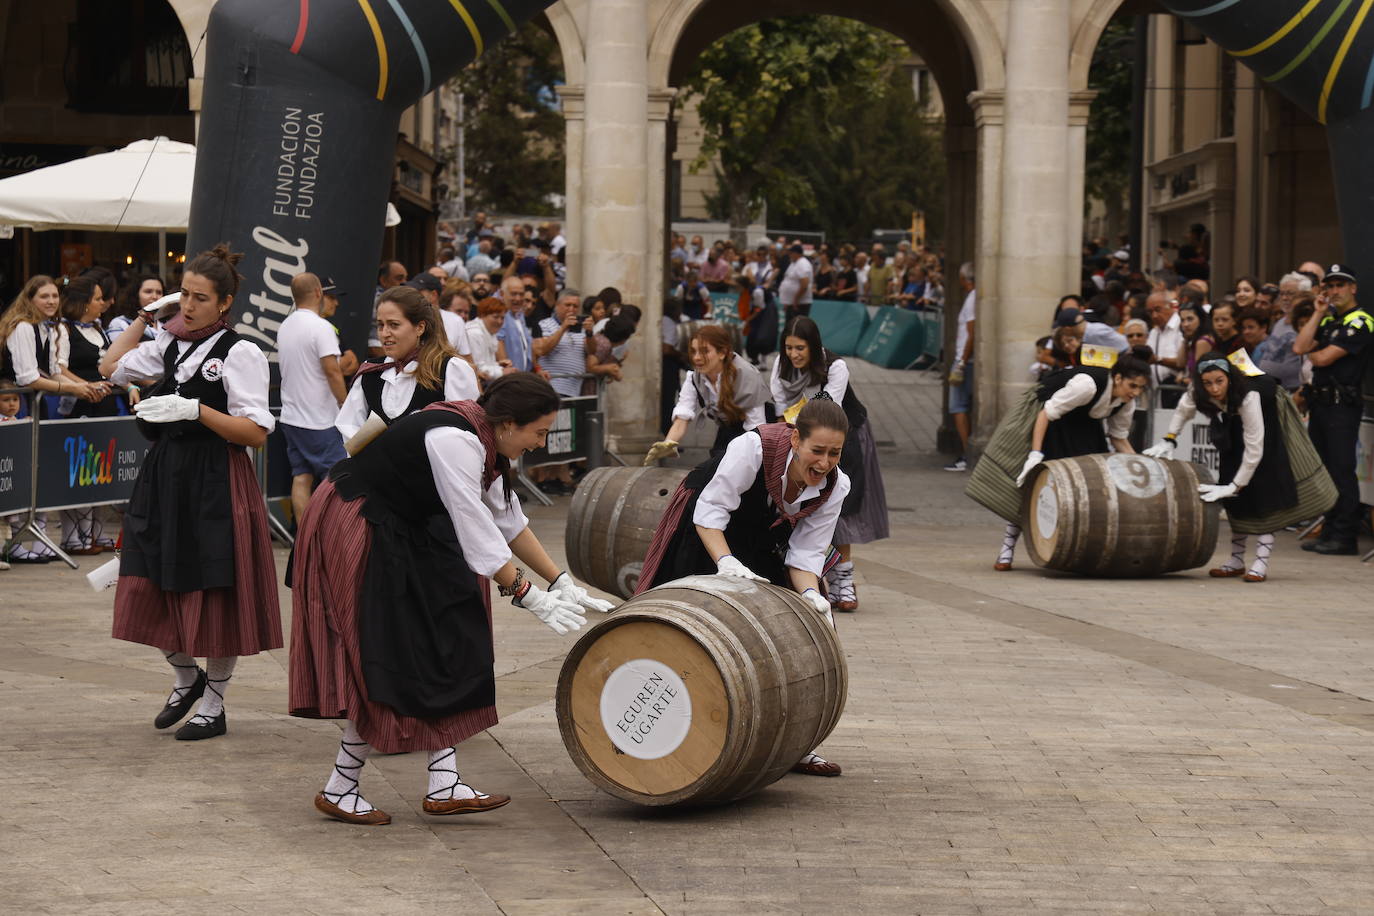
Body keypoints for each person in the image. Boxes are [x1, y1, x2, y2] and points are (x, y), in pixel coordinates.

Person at [289, 373, 611, 825]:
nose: (541, 443)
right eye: (538, 432)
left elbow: (508, 520)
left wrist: (561, 582)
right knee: (387, 651)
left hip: (406, 525)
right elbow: (474, 526)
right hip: (360, 520)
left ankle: (441, 783)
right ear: (508, 424)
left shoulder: (486, 441)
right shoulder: (454, 439)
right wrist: (527, 595)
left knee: (448, 634)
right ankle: (344, 786)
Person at [97, 244, 281, 741]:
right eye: (186, 297)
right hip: (167, 474)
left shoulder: (239, 351)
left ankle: (215, 703)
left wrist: (196, 411)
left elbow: (255, 433)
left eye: (200, 298)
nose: (190, 307)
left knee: (217, 588)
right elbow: (109, 367)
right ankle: (185, 675)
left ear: (224, 303)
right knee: (146, 574)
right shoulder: (170, 342)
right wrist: (144, 316)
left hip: (216, 476)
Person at [636, 398, 852, 777]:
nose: (825, 462)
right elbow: (711, 513)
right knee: (683, 625)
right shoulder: (752, 448)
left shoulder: (836, 485)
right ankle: (656, 730)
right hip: (707, 524)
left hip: (764, 532)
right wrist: (726, 563)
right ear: (796, 438)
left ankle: (797, 743)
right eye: (817, 451)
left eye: (835, 453)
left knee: (789, 632)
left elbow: (805, 557)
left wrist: (811, 596)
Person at [1144, 354, 1335, 582]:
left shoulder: (1249, 395)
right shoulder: (1199, 390)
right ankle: (1236, 560)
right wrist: (1169, 438)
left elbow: (1255, 447)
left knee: (1265, 487)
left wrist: (1236, 485)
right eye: (1208, 383)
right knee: (1231, 480)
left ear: (1229, 378)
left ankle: (1261, 562)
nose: (1214, 388)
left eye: (1219, 381)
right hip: (1231, 419)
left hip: (1268, 416)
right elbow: (1184, 409)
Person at [965, 347, 1154, 571]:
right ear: (1118, 377)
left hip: (1083, 426)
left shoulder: (1126, 402)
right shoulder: (1087, 385)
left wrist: (1141, 470)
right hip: (1048, 418)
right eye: (1132, 386)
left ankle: (1076, 552)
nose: (1135, 392)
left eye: (1141, 388)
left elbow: (1119, 438)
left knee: (1090, 486)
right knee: (1031, 485)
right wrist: (1035, 455)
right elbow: (1046, 413)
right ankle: (1007, 549)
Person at [770, 316, 888, 611]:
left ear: (814, 346)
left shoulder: (836, 367)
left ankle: (844, 580)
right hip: (799, 439)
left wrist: (795, 426)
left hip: (841, 438)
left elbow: (825, 410)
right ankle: (816, 576)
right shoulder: (780, 366)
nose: (794, 354)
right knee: (804, 508)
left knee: (841, 507)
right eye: (789, 348)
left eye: (800, 348)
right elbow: (781, 405)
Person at [1292, 264, 1372, 555]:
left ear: (1353, 288)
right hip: (1321, 404)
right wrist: (1317, 312)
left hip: (1342, 406)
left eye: (1340, 285)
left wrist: (1313, 353)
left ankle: (1345, 536)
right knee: (1324, 471)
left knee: (1341, 471)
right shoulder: (1327, 322)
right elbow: (1299, 347)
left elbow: (1324, 358)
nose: (1334, 291)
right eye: (1330, 286)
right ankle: (1330, 529)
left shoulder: (1361, 321)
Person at [335, 286, 479, 441]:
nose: (384, 333)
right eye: (380, 325)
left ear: (420, 327)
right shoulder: (371, 371)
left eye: (394, 325)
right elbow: (349, 425)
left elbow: (463, 434)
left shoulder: (449, 369)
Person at [277, 272, 349, 526]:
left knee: (301, 477)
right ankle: (332, 536)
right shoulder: (321, 327)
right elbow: (332, 370)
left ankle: (306, 536)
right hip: (319, 419)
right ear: (318, 292)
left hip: (292, 417)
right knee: (340, 479)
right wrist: (346, 404)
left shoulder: (285, 326)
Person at [647, 323, 768, 463]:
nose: (697, 357)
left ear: (722, 353)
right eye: (693, 351)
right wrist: (668, 443)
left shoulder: (746, 376)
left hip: (754, 434)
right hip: (727, 429)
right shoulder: (694, 378)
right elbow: (683, 416)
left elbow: (757, 428)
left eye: (704, 351)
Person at [0, 275, 89, 418]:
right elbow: (28, 379)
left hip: (35, 403)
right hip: (14, 407)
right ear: (30, 300)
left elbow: (53, 373)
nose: (51, 301)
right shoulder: (23, 327)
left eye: (55, 296)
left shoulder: (48, 328)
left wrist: (85, 387)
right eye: (44, 297)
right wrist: (72, 388)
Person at [944, 263, 976, 471]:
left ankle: (966, 454)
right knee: (962, 406)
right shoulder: (972, 298)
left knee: (958, 407)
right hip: (964, 358)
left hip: (965, 360)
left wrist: (962, 361)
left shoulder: (973, 298)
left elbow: (972, 332)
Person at [467, 297, 513, 383]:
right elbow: (478, 369)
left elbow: (485, 364)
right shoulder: (474, 333)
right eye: (495, 317)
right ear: (482, 315)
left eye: (502, 318)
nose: (499, 322)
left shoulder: (490, 332)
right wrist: (502, 372)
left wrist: (498, 365)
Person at [107, 274, 164, 342]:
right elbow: (118, 351)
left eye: (159, 292)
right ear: (136, 295)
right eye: (148, 292)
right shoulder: (121, 323)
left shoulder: (167, 323)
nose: (154, 296)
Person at [1178, 301, 1215, 376]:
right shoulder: (1193, 339)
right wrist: (1185, 339)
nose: (1185, 324)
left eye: (1190, 319)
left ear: (1201, 319)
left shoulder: (1203, 341)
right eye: (1182, 320)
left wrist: (1183, 379)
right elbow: (1180, 363)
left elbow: (1198, 375)